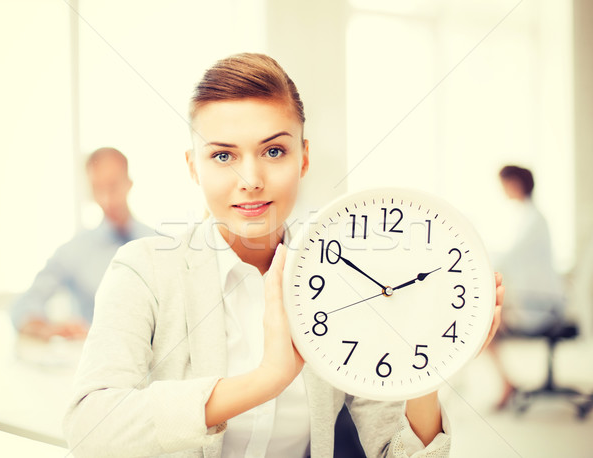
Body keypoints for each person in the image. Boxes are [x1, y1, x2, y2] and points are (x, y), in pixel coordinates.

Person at [63, 53, 503, 457]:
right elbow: (88, 428)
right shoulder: (144, 270)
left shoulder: (350, 278)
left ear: (303, 157)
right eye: (222, 155)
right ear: (193, 166)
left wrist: (427, 374)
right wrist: (266, 379)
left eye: (274, 151)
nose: (251, 179)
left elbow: (397, 453)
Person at [10, 147, 154, 340]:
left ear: (128, 184)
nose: (106, 198)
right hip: (91, 362)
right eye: (97, 188)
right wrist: (46, 329)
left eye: (112, 186)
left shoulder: (157, 244)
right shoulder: (74, 251)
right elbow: (24, 305)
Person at [489, 165, 565, 408]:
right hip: (537, 300)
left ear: (516, 184)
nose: (503, 190)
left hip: (539, 306)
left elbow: (508, 258)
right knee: (489, 323)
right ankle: (507, 383)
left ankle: (507, 383)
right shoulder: (529, 217)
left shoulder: (533, 221)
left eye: (505, 183)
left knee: (486, 326)